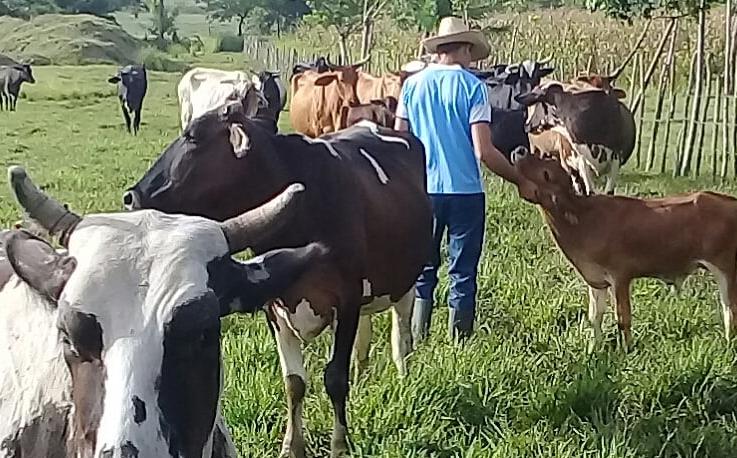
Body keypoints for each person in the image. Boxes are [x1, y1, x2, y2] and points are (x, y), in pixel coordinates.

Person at [394, 16, 520, 343]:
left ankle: (417, 338)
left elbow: (399, 141)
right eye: (471, 51)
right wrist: (518, 178)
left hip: (422, 191)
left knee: (423, 269)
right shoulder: (473, 88)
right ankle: (458, 346)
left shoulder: (411, 85)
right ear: (464, 48)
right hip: (465, 192)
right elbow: (484, 151)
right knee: (462, 272)